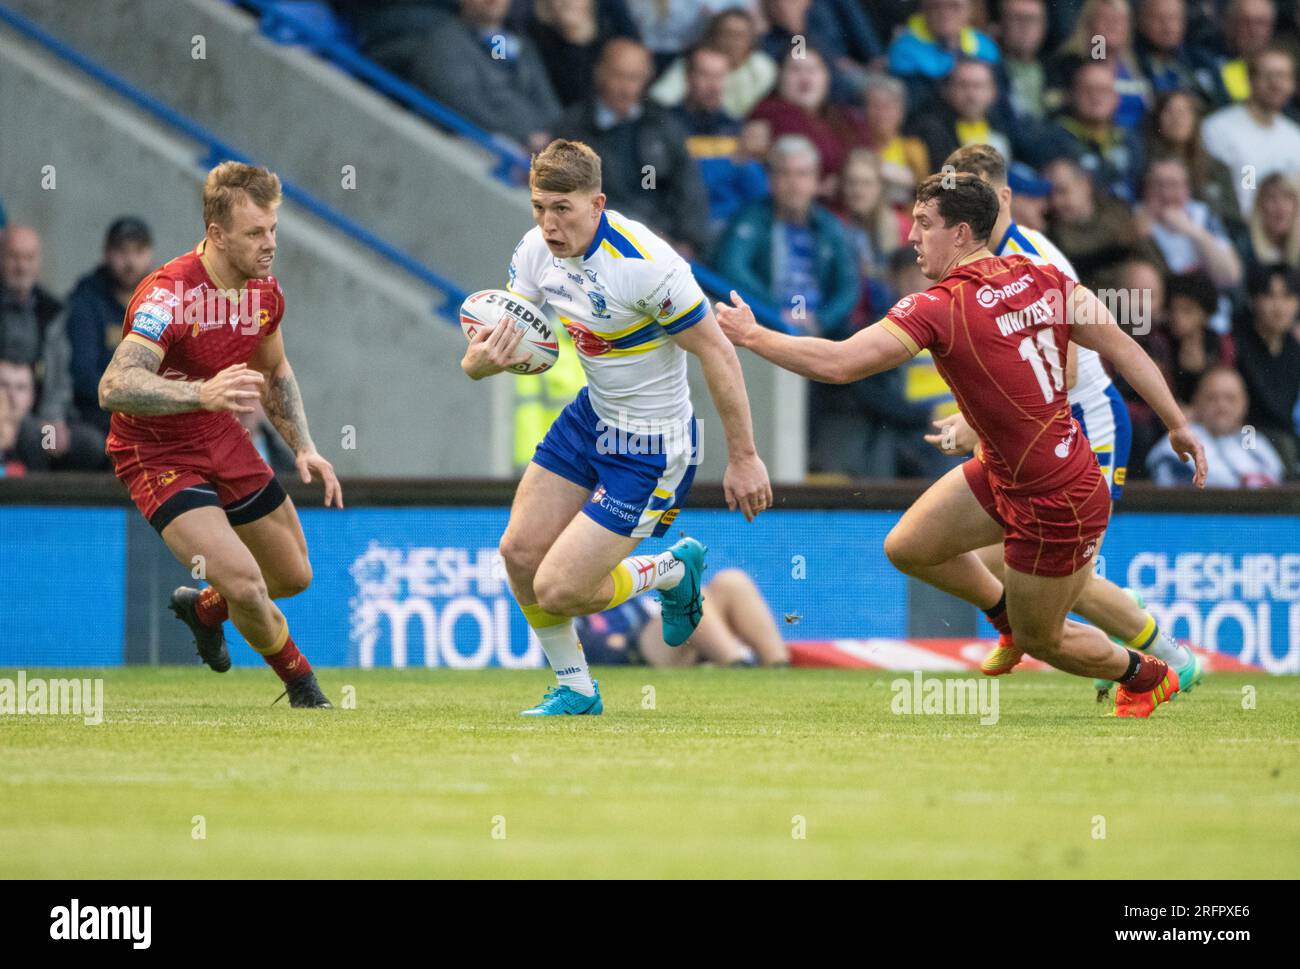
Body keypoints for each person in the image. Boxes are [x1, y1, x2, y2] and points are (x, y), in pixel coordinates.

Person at [716, 171, 1207, 717]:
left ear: (962, 232)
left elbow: (839, 364)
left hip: (1057, 497)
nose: (911, 236)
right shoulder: (1043, 278)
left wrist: (752, 334)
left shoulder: (939, 307)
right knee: (909, 548)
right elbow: (1124, 346)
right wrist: (1177, 423)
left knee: (1046, 638)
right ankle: (1005, 618)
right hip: (1005, 472)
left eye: (924, 224)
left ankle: (1147, 675)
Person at [462, 139, 770, 715]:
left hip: (654, 447)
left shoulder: (647, 266)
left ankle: (671, 569)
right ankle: (577, 689)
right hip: (590, 418)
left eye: (563, 209)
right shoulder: (534, 250)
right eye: (539, 207)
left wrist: (745, 456)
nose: (548, 224)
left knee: (561, 589)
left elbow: (719, 353)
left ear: (597, 202)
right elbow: (508, 332)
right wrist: (478, 363)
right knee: (519, 553)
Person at [925, 145, 1194, 697]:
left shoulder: (1034, 260)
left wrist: (974, 425)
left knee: (1027, 558)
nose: (960, 215)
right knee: (1007, 560)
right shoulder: (977, 265)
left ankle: (1164, 657)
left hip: (1084, 421)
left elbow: (1062, 370)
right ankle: (1111, 634)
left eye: (971, 199)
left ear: (1001, 200)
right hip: (1034, 429)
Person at [97, 162, 342, 708]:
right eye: (256, 233)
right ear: (216, 234)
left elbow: (275, 372)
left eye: (273, 228)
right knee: (249, 584)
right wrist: (200, 394)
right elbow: (114, 385)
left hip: (218, 435)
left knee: (293, 575)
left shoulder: (263, 291)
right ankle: (304, 687)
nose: (270, 243)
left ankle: (204, 608)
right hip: (154, 450)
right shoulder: (169, 295)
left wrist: (304, 445)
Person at [555, 38, 711, 256]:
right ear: (600, 73)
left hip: (664, 245)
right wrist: (639, 232)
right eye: (619, 76)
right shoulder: (574, 128)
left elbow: (688, 186)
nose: (627, 88)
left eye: (635, 78)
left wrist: (689, 240)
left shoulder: (662, 125)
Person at [0, 226, 104, 470]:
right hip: (7, 415)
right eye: (14, 256)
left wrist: (53, 417)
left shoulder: (52, 310)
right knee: (28, 436)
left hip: (41, 416)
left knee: (91, 445)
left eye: (29, 258)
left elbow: (60, 374)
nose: (21, 266)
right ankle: (30, 505)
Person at [576, 567, 790, 666]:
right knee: (687, 594)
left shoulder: (624, 594)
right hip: (636, 658)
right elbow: (593, 651)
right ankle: (738, 666)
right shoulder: (564, 603)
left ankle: (778, 667)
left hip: (675, 643)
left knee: (732, 581)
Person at [64, 217, 156, 436]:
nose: (130, 261)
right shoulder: (86, 302)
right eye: (122, 252)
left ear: (150, 254)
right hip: (97, 414)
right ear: (107, 253)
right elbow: (84, 376)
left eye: (138, 251)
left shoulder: (161, 301)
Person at [1201, 46, 1300, 217]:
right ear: (1250, 79)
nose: (1275, 84)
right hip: (1238, 229)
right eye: (1268, 75)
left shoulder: (1295, 136)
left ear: (1293, 85)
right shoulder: (1218, 128)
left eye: (1283, 76)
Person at [1147, 367, 1284, 486]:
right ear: (1196, 402)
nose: (1222, 406)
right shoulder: (1179, 442)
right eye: (1212, 398)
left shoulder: (1256, 442)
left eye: (1230, 398)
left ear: (1245, 403)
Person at [649, 7, 778, 118]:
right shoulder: (694, 62)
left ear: (751, 40)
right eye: (726, 34)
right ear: (714, 36)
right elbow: (660, 99)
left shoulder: (763, 67)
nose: (732, 42)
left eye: (739, 35)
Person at [1234, 263, 1300, 475]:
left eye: (1288, 297)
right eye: (1270, 296)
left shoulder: (1293, 348)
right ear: (1253, 300)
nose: (1279, 306)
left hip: (1284, 433)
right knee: (1282, 447)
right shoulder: (1234, 343)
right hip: (1243, 431)